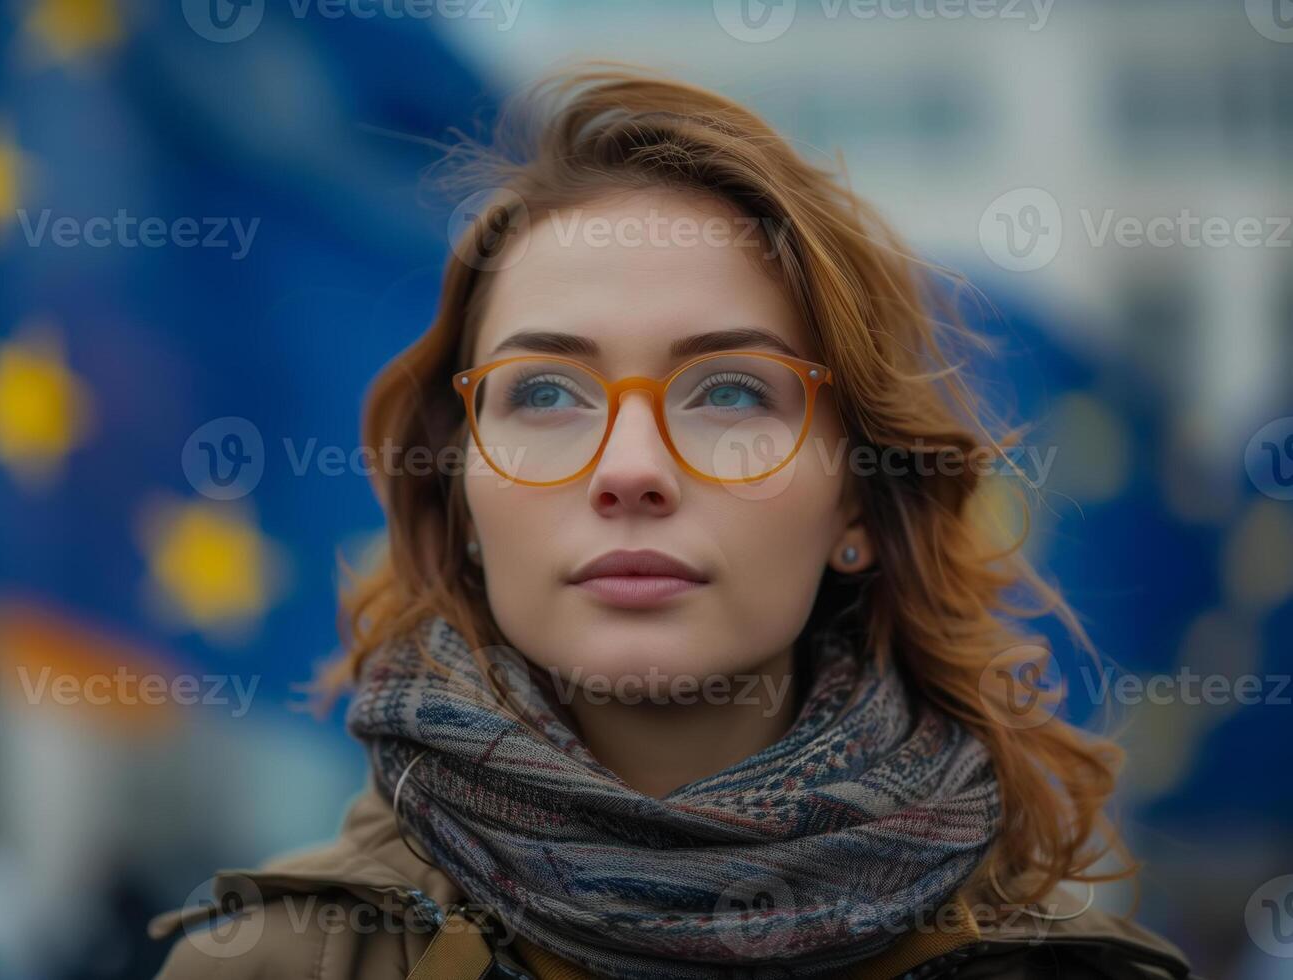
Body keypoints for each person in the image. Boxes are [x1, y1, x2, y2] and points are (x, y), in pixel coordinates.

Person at [148, 65, 1196, 979]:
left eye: (731, 391)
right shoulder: (280, 962)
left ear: (861, 501)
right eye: (547, 393)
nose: (632, 471)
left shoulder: (1060, 969)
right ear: (462, 489)